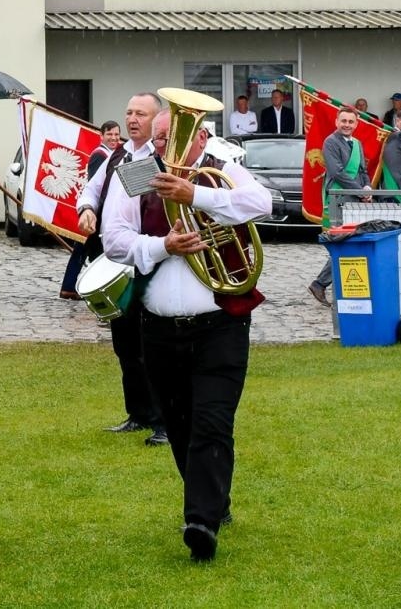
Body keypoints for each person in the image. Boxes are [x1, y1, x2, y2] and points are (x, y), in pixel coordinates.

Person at [100, 104, 271, 563]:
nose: (166, 148)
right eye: (159, 140)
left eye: (175, 137)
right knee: (178, 425)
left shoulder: (221, 168)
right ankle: (215, 502)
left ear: (201, 138)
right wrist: (162, 246)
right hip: (156, 327)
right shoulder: (138, 175)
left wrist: (196, 194)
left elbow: (263, 204)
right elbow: (113, 238)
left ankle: (200, 521)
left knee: (212, 422)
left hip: (221, 322)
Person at [75, 93, 166, 446]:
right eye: (128, 112)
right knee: (125, 343)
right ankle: (139, 414)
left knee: (152, 344)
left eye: (140, 114)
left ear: (156, 120)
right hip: (117, 261)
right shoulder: (118, 154)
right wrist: (87, 208)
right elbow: (92, 188)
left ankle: (163, 421)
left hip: (147, 258)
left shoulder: (159, 160)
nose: (132, 119)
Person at [308, 106, 369, 306]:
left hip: (355, 200)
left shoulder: (358, 144)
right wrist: (361, 191)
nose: (347, 125)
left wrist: (367, 186)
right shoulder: (330, 142)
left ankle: (322, 284)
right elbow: (338, 173)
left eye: (351, 122)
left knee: (348, 243)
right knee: (341, 243)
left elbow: (362, 171)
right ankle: (321, 283)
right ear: (337, 122)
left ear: (356, 124)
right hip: (338, 199)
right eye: (343, 121)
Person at [61, 122, 123, 300]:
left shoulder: (114, 154)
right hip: (97, 213)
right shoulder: (100, 155)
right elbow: (98, 184)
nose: (114, 138)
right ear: (101, 136)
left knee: (86, 251)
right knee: (87, 251)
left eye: (117, 135)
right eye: (110, 134)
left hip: (100, 213)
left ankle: (71, 287)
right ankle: (75, 287)